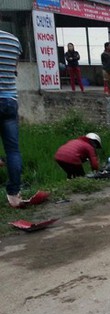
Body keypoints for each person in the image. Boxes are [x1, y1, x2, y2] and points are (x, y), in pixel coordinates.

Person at [0, 29, 23, 207]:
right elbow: (14, 70)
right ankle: (14, 195)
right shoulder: (13, 40)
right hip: (10, 100)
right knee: (13, 150)